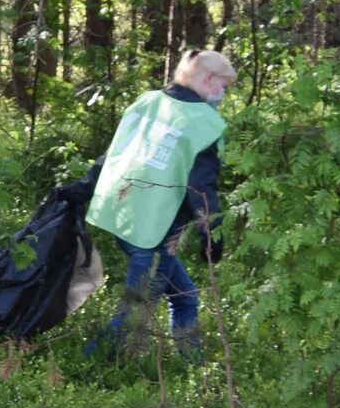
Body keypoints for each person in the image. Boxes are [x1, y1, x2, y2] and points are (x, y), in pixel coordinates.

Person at [85, 48, 234, 361]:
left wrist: (80, 189)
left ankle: (193, 365)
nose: (223, 93)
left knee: (185, 297)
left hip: (124, 219)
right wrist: (212, 236)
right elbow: (201, 188)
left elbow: (115, 153)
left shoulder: (149, 101)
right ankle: (89, 363)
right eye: (224, 85)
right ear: (208, 78)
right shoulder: (205, 124)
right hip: (155, 229)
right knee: (136, 309)